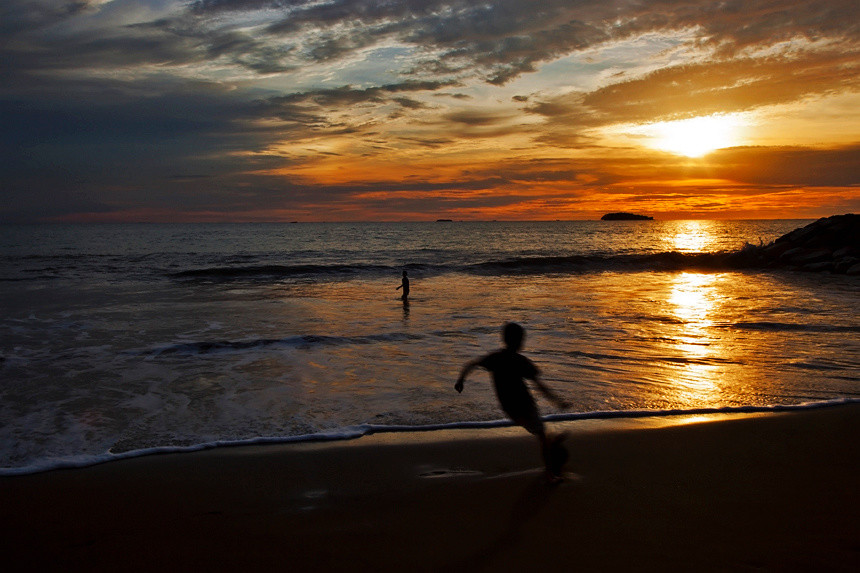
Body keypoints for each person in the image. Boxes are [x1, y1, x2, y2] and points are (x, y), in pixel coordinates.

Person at [455, 322, 569, 483]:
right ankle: (551, 470)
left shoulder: (495, 358)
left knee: (539, 433)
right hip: (524, 405)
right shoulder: (520, 361)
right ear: (519, 341)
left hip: (510, 407)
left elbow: (471, 364)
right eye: (522, 339)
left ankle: (551, 460)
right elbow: (540, 385)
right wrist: (557, 401)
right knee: (540, 434)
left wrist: (461, 380)